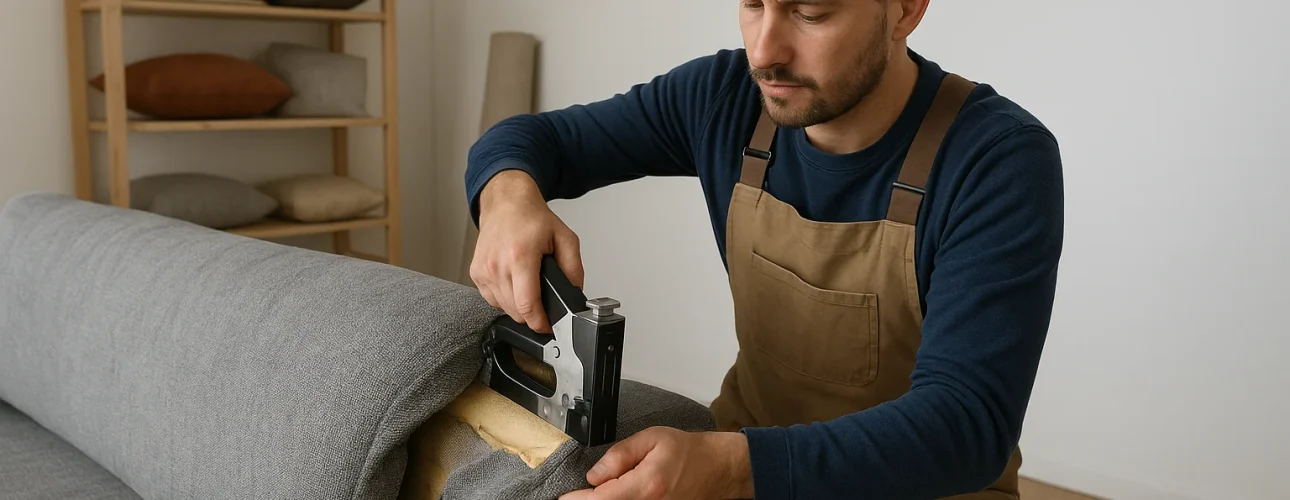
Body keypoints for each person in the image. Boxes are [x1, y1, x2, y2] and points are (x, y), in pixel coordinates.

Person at [463, 0, 1064, 498]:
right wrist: (507, 199)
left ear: (905, 10)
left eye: (810, 13)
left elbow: (965, 424)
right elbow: (537, 139)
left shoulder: (997, 158)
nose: (764, 51)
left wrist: (733, 467)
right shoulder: (724, 98)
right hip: (739, 453)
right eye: (753, 4)